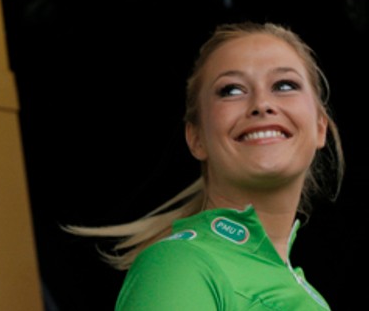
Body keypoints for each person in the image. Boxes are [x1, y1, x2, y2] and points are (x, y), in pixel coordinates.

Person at [69, 22, 344, 310]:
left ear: (320, 127)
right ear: (196, 138)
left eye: (285, 85)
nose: (262, 104)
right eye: (231, 90)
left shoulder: (304, 292)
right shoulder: (180, 265)